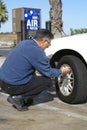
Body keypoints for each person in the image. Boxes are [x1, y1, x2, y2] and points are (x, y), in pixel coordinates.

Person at [0, 29, 70, 111]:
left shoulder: (25, 43)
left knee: (34, 76)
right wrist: (61, 71)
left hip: (3, 81)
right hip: (12, 86)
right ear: (44, 41)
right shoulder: (38, 52)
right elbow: (49, 73)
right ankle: (18, 97)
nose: (49, 45)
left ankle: (25, 98)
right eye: (49, 43)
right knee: (47, 82)